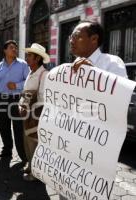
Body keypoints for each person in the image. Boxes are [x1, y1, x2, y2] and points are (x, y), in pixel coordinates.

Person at [58, 20, 128, 200]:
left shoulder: (112, 63)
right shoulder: (69, 67)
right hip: (69, 143)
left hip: (94, 149)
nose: (71, 40)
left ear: (94, 39)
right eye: (70, 37)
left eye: (76, 36)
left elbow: (118, 103)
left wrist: (92, 74)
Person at [0, 40, 30, 161]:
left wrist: (17, 85)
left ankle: (24, 156)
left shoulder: (23, 64)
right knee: (3, 127)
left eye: (15, 48)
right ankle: (7, 150)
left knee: (18, 128)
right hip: (2, 99)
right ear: (5, 50)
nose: (14, 49)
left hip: (17, 100)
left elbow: (28, 81)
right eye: (11, 47)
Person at [19, 43, 49, 181]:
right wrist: (21, 105)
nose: (27, 58)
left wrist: (28, 109)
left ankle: (36, 173)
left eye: (30, 56)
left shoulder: (44, 74)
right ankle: (31, 165)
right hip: (26, 114)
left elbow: (43, 99)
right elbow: (25, 94)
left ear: (37, 59)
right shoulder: (31, 72)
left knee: (34, 143)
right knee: (27, 143)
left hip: (35, 116)